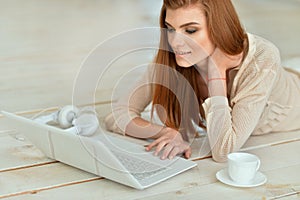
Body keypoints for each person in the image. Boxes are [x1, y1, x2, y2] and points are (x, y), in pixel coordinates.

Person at [104, 0, 300, 162]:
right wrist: (166, 133)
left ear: (218, 28)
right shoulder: (172, 57)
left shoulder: (263, 58)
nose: (176, 43)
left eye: (190, 30)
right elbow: (117, 116)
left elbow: (223, 151)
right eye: (170, 29)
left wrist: (216, 74)